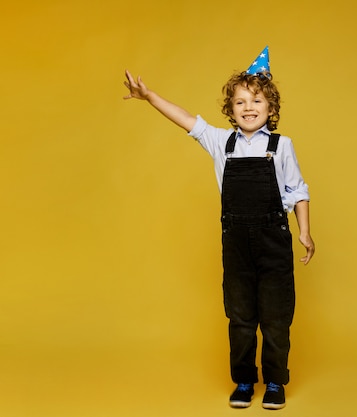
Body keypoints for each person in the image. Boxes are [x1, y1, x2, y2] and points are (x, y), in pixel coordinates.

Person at [123, 48, 315, 410]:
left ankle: (275, 381)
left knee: (275, 317)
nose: (248, 107)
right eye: (240, 101)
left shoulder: (282, 145)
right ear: (230, 110)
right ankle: (244, 380)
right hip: (237, 244)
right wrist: (148, 97)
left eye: (256, 100)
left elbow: (298, 191)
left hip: (275, 241)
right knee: (240, 315)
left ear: (271, 109)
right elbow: (184, 118)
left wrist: (304, 232)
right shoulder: (220, 143)